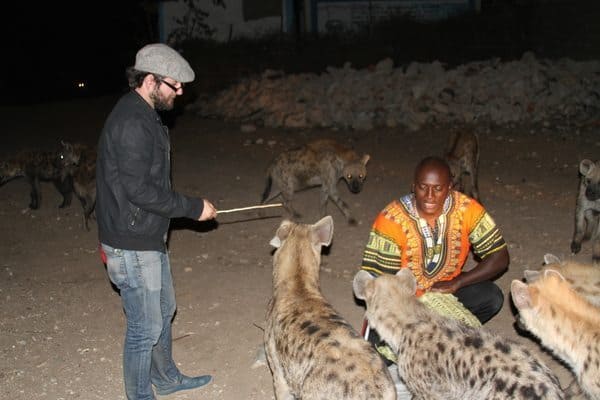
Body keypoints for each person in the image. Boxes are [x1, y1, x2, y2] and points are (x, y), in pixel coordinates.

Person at [96, 43, 217, 400]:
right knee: (143, 327)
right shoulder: (132, 121)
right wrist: (193, 207)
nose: (180, 92)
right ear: (150, 80)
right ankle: (140, 395)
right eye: (174, 84)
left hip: (145, 233)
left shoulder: (145, 113)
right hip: (130, 240)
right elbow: (140, 191)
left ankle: (165, 379)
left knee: (164, 309)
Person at [360, 156, 509, 353]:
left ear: (450, 187)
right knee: (378, 353)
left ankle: (440, 338)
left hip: (446, 295)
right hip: (403, 303)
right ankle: (436, 340)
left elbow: (500, 257)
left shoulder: (467, 210)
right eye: (423, 187)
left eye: (438, 188)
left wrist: (459, 281)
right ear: (413, 186)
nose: (430, 195)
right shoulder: (391, 220)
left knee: (491, 297)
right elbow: (380, 285)